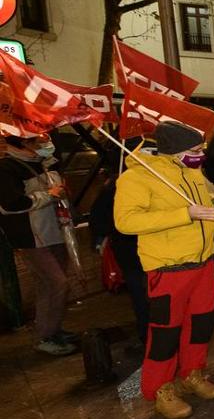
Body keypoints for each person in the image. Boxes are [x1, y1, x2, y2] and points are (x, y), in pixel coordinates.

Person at [114, 122, 214, 419]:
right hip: (168, 267)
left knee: (201, 324)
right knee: (165, 333)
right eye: (195, 150)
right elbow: (126, 221)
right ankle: (160, 388)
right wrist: (185, 214)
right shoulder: (137, 177)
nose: (201, 155)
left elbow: (203, 205)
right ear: (174, 151)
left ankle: (192, 373)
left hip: (203, 262)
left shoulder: (192, 172)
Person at [0, 134, 78, 356]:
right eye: (40, 140)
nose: (46, 143)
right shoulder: (7, 169)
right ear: (25, 142)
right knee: (57, 282)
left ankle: (52, 330)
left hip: (55, 230)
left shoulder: (44, 163)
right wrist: (48, 195)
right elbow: (10, 205)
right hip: (31, 236)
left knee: (49, 285)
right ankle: (45, 335)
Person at [89, 164, 148, 348]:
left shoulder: (119, 184)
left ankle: (150, 336)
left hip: (134, 249)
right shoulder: (118, 186)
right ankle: (150, 336)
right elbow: (99, 222)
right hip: (133, 250)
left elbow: (98, 222)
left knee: (144, 294)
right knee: (143, 294)